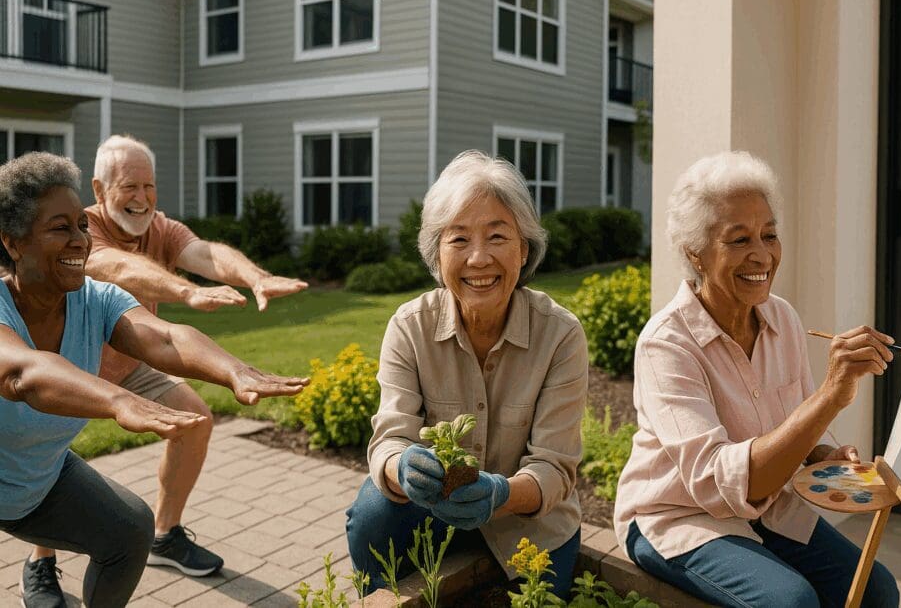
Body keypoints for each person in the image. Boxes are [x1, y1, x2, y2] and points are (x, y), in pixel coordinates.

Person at [0, 153, 307, 608]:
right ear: (13, 242)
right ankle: (39, 565)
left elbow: (164, 337)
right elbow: (24, 373)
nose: (79, 241)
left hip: (32, 480)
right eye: (59, 228)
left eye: (81, 226)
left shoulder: (95, 300)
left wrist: (232, 369)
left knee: (129, 530)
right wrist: (117, 400)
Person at [613, 151, 900, 608]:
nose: (762, 254)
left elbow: (798, 424)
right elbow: (719, 484)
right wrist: (831, 395)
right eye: (739, 239)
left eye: (769, 235)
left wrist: (825, 454)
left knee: (876, 589)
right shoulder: (665, 345)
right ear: (695, 254)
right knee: (791, 602)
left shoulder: (781, 317)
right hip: (678, 516)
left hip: (767, 507)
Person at [345, 150, 588, 598]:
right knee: (372, 513)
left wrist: (501, 494)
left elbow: (555, 467)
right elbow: (389, 439)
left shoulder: (560, 334)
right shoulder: (409, 325)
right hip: (432, 512)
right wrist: (402, 467)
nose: (479, 259)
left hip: (527, 522)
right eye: (459, 240)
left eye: (497, 236)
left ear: (524, 248)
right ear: (437, 254)